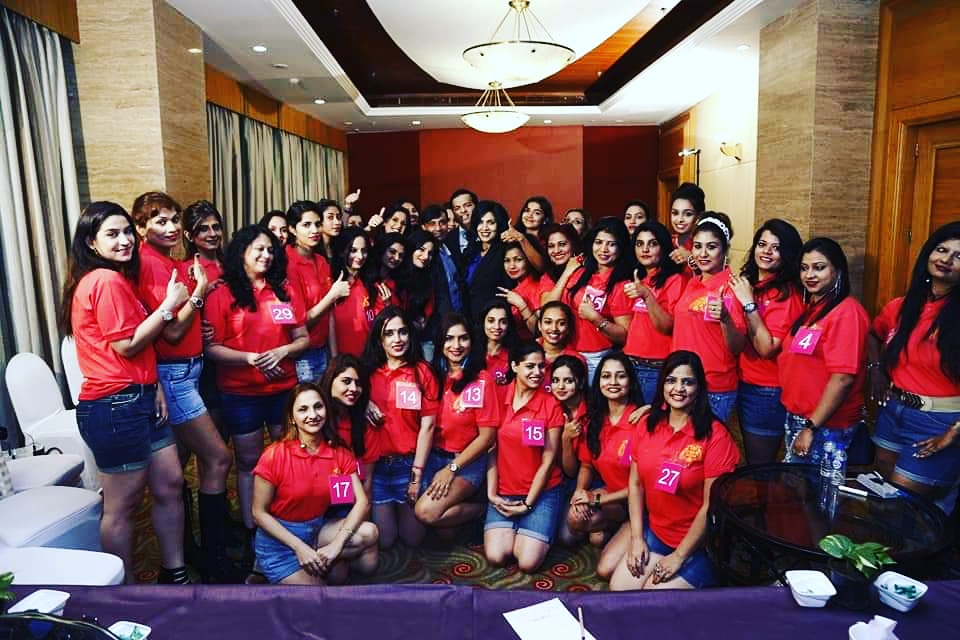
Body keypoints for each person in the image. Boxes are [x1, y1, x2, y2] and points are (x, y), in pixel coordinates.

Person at [62, 201, 190, 584]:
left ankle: (174, 572)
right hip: (114, 405)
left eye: (127, 232)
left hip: (140, 396)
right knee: (123, 506)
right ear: (91, 242)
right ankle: (124, 589)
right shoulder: (104, 280)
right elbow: (127, 344)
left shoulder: (117, 278)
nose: (124, 241)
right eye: (112, 234)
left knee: (170, 482)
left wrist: (153, 385)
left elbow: (135, 348)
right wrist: (169, 306)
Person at [130, 192, 237, 583]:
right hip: (174, 375)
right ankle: (214, 559)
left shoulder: (169, 262)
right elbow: (173, 331)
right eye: (161, 221)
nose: (172, 227)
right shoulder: (150, 264)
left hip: (187, 370)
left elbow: (182, 323)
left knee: (179, 469)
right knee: (218, 458)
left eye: (175, 219)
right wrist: (199, 294)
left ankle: (193, 550)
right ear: (141, 227)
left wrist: (198, 309)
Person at [203, 225, 310, 537]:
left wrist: (282, 351)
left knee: (287, 455)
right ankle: (253, 529)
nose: (266, 255)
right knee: (249, 461)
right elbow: (211, 347)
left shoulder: (283, 289)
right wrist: (251, 359)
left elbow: (303, 338)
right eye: (259, 249)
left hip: (283, 389)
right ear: (242, 253)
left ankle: (287, 520)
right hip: (240, 392)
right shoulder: (222, 292)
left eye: (270, 250)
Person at [610, 350, 739, 591]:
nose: (678, 388)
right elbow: (635, 485)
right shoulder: (647, 425)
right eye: (671, 380)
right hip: (658, 532)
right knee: (620, 589)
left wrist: (678, 557)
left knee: (652, 596)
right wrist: (637, 538)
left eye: (687, 382)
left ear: (699, 388)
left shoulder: (716, 436)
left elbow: (711, 506)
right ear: (662, 384)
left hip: (700, 544)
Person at [251, 383, 378, 584]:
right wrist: (299, 547)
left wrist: (337, 544)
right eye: (303, 409)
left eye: (318, 407)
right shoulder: (274, 455)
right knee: (319, 595)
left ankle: (323, 563)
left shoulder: (339, 452)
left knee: (369, 537)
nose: (313, 414)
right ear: (291, 417)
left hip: (317, 530)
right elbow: (258, 513)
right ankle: (267, 570)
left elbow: (361, 502)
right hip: (280, 543)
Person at [871, 222, 960, 501]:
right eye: (941, 250)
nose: (946, 259)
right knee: (883, 499)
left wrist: (955, 432)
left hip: (938, 423)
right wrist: (876, 370)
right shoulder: (902, 306)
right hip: (892, 412)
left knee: (905, 504)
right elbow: (873, 335)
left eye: (958, 256)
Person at [779, 237, 870, 464]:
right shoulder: (814, 308)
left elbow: (843, 379)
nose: (809, 275)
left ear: (837, 271)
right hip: (801, 417)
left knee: (816, 484)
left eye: (819, 268)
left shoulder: (847, 312)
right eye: (804, 268)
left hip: (826, 424)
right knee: (797, 481)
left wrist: (811, 426)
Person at [484, 341, 566, 573]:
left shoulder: (551, 405)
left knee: (527, 562)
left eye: (541, 367)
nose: (537, 372)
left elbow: (548, 461)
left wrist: (528, 504)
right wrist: (491, 493)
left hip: (542, 492)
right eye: (530, 366)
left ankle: (544, 523)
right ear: (514, 366)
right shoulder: (498, 397)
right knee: (496, 556)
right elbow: (491, 449)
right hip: (505, 491)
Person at [363, 307, 440, 548]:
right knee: (385, 541)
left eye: (402, 332)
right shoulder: (366, 374)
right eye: (389, 333)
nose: (397, 339)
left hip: (409, 465)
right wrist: (364, 403)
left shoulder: (422, 372)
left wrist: (416, 477)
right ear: (379, 340)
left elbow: (428, 427)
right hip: (377, 468)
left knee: (412, 539)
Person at [728, 219, 804, 464]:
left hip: (767, 390)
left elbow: (766, 348)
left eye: (776, 247)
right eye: (762, 244)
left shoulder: (786, 295)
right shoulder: (751, 284)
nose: (767, 251)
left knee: (760, 465)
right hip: (744, 380)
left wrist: (749, 304)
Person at [415, 315, 499, 532]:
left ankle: (483, 509)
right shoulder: (432, 375)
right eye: (449, 338)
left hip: (465, 461)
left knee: (425, 512)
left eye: (463, 338)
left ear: (472, 341)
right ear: (440, 342)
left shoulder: (481, 379)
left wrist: (452, 469)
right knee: (442, 533)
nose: (456, 345)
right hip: (433, 456)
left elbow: (487, 437)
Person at [562, 352, 642, 578]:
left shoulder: (640, 421)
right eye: (606, 376)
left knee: (605, 570)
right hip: (613, 498)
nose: (613, 382)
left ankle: (622, 529)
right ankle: (611, 527)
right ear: (598, 382)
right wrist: (580, 491)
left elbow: (641, 486)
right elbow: (586, 465)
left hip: (641, 503)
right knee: (573, 523)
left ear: (631, 381)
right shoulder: (595, 420)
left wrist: (595, 500)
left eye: (620, 376)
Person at [672, 213, 746, 421]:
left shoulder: (730, 288)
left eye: (711, 247)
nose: (703, 254)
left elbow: (737, 346)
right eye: (697, 246)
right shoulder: (693, 282)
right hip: (683, 382)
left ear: (725, 249)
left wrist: (725, 318)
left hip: (713, 387)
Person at [284, 201, 350, 383]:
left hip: (323, 349)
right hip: (301, 354)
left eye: (318, 224)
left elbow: (329, 314)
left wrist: (334, 356)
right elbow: (301, 322)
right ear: (292, 229)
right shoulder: (288, 263)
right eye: (306, 225)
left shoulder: (321, 260)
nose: (314, 230)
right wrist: (332, 295)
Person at [564, 217, 634, 382]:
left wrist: (596, 318)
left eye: (611, 244)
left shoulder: (622, 284)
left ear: (621, 248)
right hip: (570, 353)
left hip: (598, 358)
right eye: (599, 242)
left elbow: (624, 335)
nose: (603, 249)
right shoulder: (580, 273)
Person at [623, 221, 686, 404]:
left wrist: (647, 296)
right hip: (630, 361)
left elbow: (668, 327)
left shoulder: (675, 280)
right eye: (639, 244)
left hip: (655, 366)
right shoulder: (637, 277)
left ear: (663, 247)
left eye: (652, 243)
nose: (645, 249)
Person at [321, 355, 382, 506]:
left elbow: (367, 483)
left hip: (351, 504)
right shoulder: (314, 420)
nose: (354, 389)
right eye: (346, 381)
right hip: (315, 504)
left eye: (358, 383)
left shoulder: (365, 424)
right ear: (330, 380)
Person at [329, 227, 379, 357]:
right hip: (341, 359)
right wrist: (335, 359)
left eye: (364, 251)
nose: (360, 256)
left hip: (369, 357)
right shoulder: (331, 282)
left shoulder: (370, 283)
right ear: (342, 251)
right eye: (353, 250)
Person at [464, 200, 512, 319]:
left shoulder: (505, 251)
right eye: (480, 222)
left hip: (493, 318)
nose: (484, 228)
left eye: (491, 223)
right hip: (469, 317)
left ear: (499, 225)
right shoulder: (471, 250)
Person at [397, 230, 438, 359]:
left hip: (424, 338)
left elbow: (430, 305)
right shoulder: (397, 274)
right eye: (421, 249)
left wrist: (424, 319)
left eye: (430, 253)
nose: (425, 256)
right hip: (400, 337)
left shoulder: (429, 277)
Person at [422, 204, 466, 317]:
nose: (438, 228)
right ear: (423, 227)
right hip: (437, 318)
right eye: (432, 224)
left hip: (458, 314)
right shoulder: (422, 255)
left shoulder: (450, 248)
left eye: (442, 222)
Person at [551, 355, 590, 480]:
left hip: (594, 477)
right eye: (555, 380)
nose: (560, 386)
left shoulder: (593, 411)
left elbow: (573, 472)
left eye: (568, 381)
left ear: (581, 382)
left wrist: (566, 439)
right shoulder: (550, 408)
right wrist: (566, 438)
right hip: (560, 475)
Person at [497, 242, 541, 338]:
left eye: (518, 260)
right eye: (507, 261)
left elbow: (539, 331)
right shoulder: (511, 288)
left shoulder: (537, 287)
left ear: (528, 260)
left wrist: (521, 305)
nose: (512, 266)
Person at [478, 299, 518, 398]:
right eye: (491, 321)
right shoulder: (471, 352)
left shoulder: (515, 356)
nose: (497, 326)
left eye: (503, 322)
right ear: (483, 322)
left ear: (509, 325)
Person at [539, 223, 583, 306]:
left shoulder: (587, 270)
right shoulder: (547, 276)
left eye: (562, 244)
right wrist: (567, 272)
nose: (556, 251)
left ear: (574, 245)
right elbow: (547, 306)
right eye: (551, 246)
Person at [667, 183, 705, 269]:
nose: (680, 219)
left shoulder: (704, 246)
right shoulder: (667, 242)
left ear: (698, 216)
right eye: (675, 213)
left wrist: (691, 258)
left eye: (688, 214)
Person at [449, 188, 479, 261]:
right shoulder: (449, 238)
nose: (463, 210)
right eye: (457, 208)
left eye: (468, 205)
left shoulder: (488, 231)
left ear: (477, 206)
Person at [316, 198, 344, 262]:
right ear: (319, 221)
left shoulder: (339, 246)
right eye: (330, 217)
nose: (337, 222)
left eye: (338, 217)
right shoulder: (312, 249)